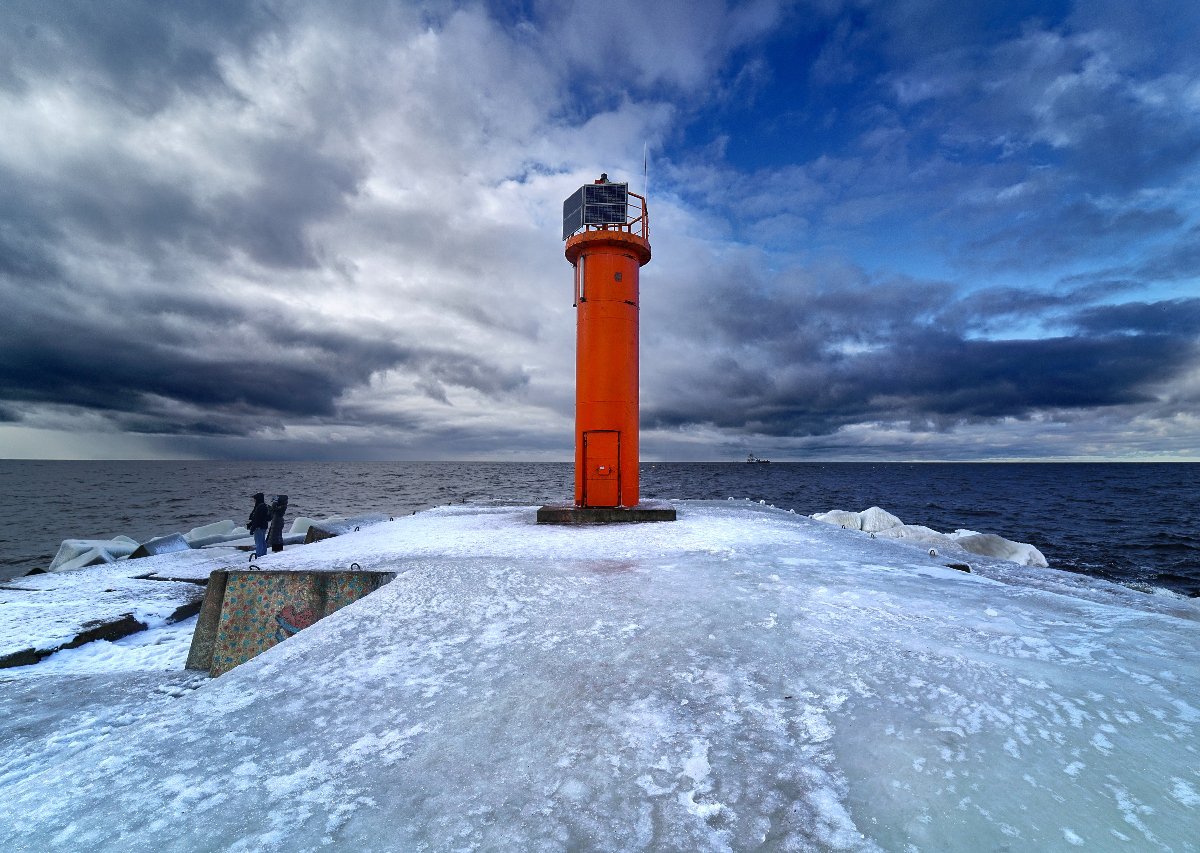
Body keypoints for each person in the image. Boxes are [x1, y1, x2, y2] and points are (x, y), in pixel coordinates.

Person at [248, 492, 270, 558]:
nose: (254, 500)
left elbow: (256, 519)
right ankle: (263, 555)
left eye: (255, 499)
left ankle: (259, 556)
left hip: (258, 527)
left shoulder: (259, 507)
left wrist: (252, 529)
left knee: (258, 542)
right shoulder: (264, 506)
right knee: (262, 541)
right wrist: (251, 524)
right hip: (263, 526)